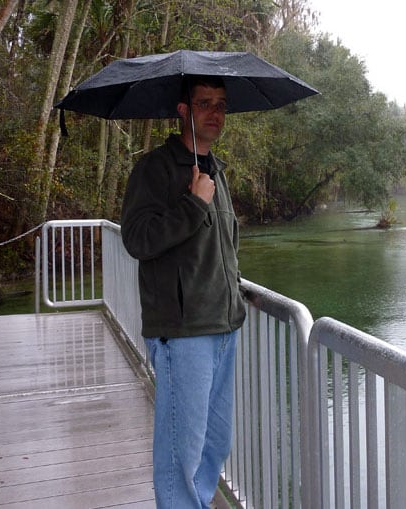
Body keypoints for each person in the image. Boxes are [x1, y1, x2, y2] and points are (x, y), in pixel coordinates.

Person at [120, 75, 246, 509]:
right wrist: (192, 203)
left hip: (224, 326)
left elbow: (223, 246)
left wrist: (236, 291)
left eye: (222, 105)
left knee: (215, 446)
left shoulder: (217, 170)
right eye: (205, 103)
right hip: (183, 332)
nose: (215, 113)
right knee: (181, 454)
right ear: (182, 111)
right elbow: (137, 239)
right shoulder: (154, 169)